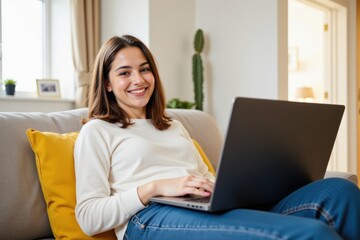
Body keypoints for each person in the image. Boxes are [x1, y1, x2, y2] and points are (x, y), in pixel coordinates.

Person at [74, 35, 360, 240]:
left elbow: (205, 175)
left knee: (339, 192)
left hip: (202, 207)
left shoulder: (173, 125)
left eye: (144, 69)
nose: (139, 80)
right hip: (148, 219)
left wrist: (230, 184)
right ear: (108, 84)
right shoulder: (98, 131)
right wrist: (154, 188)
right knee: (310, 233)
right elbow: (88, 217)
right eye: (125, 73)